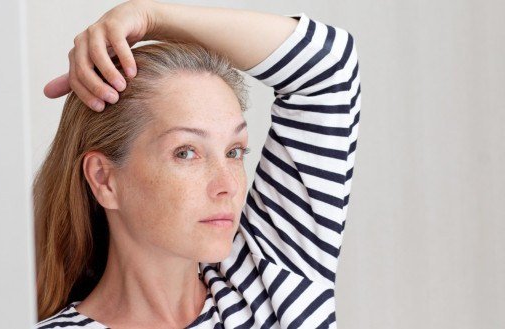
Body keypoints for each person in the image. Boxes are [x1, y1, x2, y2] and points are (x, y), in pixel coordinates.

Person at [34, 0, 361, 328]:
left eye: (234, 152)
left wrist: (150, 15)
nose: (228, 186)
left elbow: (329, 69)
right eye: (186, 152)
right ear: (104, 179)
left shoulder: (275, 281)